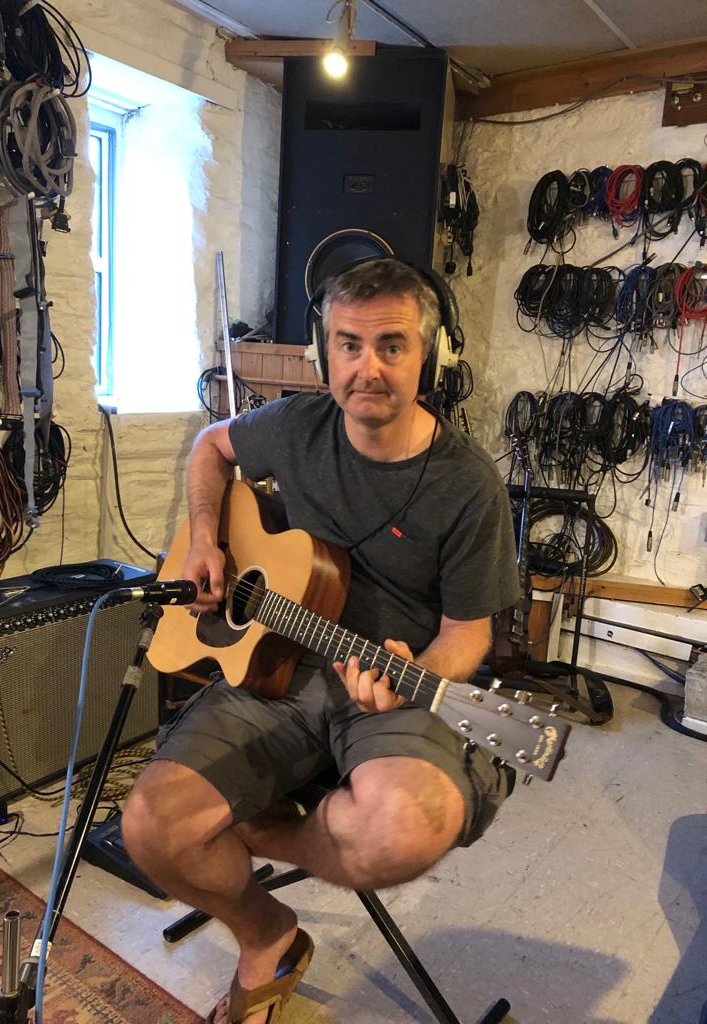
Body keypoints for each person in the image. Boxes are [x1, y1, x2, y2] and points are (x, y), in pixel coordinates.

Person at [122, 259, 521, 1024]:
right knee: (150, 827)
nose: (367, 368)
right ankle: (266, 935)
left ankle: (262, 827)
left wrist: (415, 671)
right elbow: (211, 448)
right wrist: (204, 536)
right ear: (324, 352)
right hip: (274, 665)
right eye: (348, 345)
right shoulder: (296, 427)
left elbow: (466, 635)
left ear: (430, 356)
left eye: (392, 346)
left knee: (405, 829)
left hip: (389, 685)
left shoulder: (468, 485)